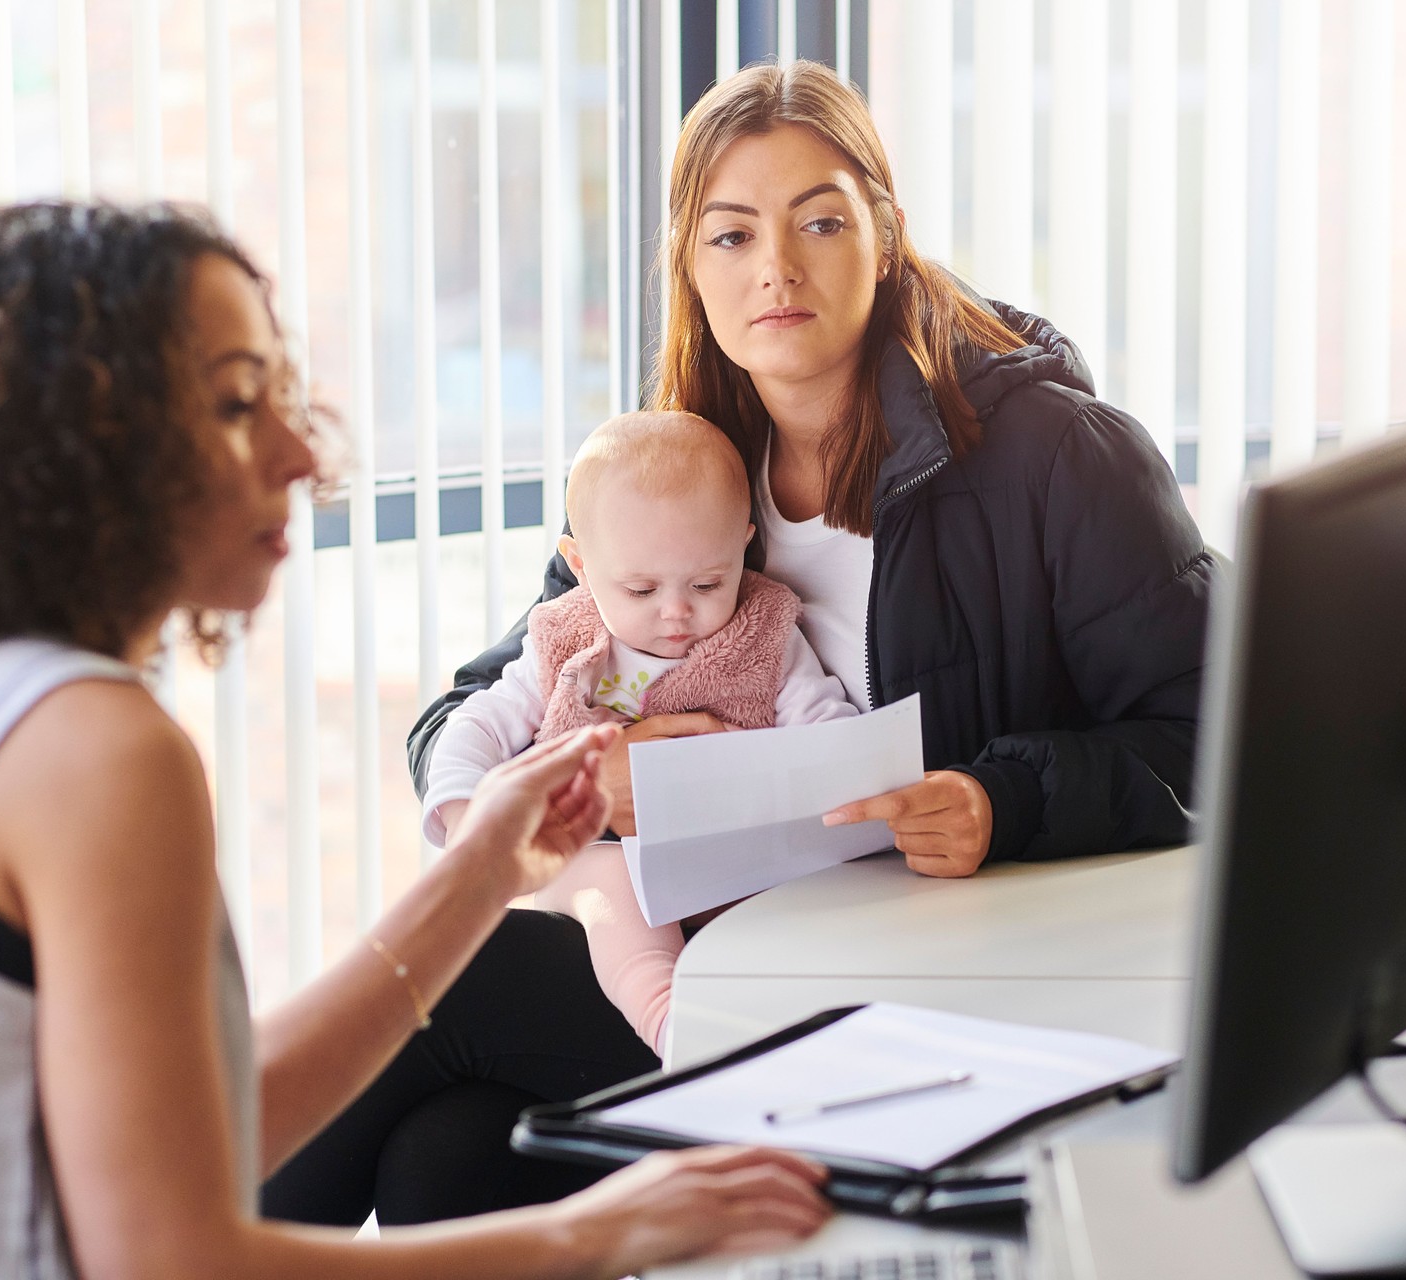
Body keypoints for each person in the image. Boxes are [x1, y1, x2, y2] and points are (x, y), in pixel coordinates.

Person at [0, 202, 831, 1280]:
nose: (302, 450)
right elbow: (173, 1256)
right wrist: (590, 1233)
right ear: (86, 451)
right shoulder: (95, 751)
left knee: (457, 1149)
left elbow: (199, 1125)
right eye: (239, 404)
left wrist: (489, 862)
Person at [268, 59, 1212, 1228]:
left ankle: (158, 1239)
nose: (776, 267)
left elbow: (1220, 736)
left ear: (887, 233)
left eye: (820, 219)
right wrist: (588, 786)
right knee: (450, 1160)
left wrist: (998, 796)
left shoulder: (1058, 458)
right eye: (730, 235)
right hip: (731, 958)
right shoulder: (684, 467)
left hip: (934, 986)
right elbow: (480, 702)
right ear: (689, 265)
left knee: (467, 983)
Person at [422, 410, 857, 1052]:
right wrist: (466, 818)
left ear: (744, 542)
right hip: (598, 861)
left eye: (708, 582)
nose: (677, 612)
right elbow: (474, 724)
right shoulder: (565, 639)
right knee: (615, 891)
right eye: (641, 588)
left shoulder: (766, 634)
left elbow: (827, 734)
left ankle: (765, 1023)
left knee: (785, 910)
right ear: (580, 562)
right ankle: (671, 1024)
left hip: (733, 864)